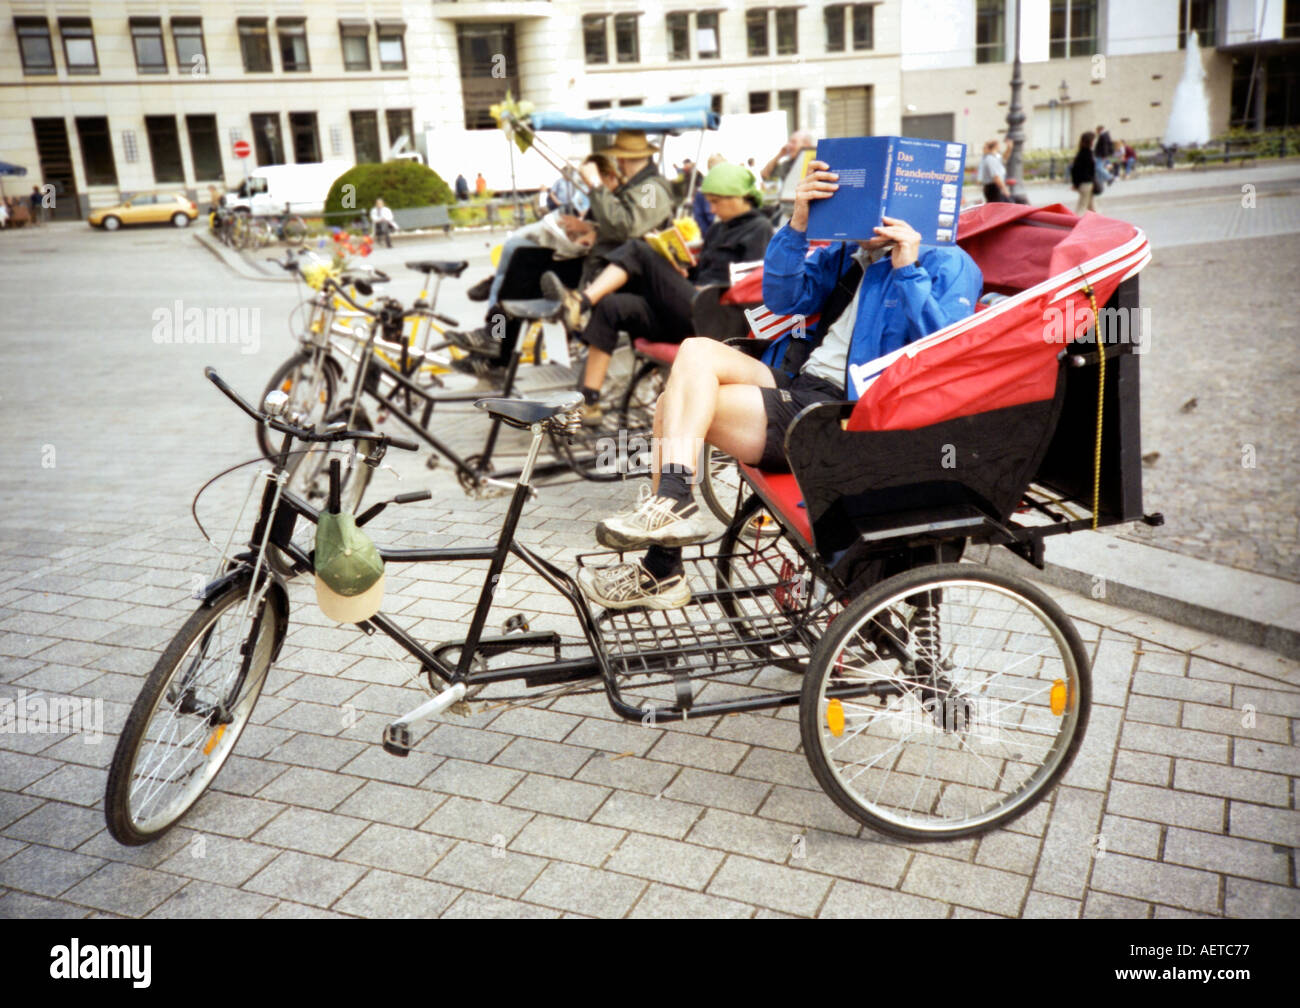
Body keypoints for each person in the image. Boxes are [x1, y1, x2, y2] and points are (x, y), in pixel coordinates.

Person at [576, 159, 982, 610]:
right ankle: (673, 505)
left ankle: (663, 565)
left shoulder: (948, 263)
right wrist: (798, 224)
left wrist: (908, 269)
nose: (855, 217)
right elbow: (783, 297)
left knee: (676, 402)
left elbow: (944, 355)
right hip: (802, 382)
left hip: (843, 414)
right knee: (695, 351)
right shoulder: (849, 254)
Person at [541, 161, 775, 425]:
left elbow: (750, 285)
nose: (711, 209)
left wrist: (692, 284)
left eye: (716, 202)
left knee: (638, 249)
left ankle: (580, 302)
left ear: (739, 197)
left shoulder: (760, 229)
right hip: (692, 308)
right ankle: (590, 401)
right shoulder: (719, 228)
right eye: (709, 201)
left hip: (717, 317)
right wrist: (683, 270)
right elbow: (707, 271)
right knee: (613, 306)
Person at [1071, 131, 1098, 215]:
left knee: (1091, 206)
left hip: (1084, 183)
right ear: (1090, 142)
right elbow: (1077, 170)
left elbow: (1074, 170)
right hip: (1086, 183)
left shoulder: (1081, 153)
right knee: (1082, 207)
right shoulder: (1088, 154)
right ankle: (1075, 223)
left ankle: (1097, 222)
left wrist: (1075, 184)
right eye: (1094, 140)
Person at [978, 138, 1012, 203]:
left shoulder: (995, 156)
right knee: (998, 207)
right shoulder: (990, 159)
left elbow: (1004, 157)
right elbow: (996, 176)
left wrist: (1009, 148)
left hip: (993, 187)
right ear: (995, 146)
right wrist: (1004, 189)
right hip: (993, 187)